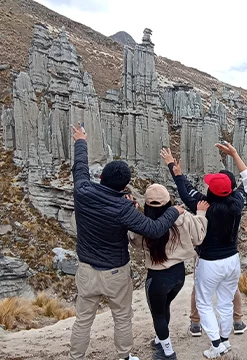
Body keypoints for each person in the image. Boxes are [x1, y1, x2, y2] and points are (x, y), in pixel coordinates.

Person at [69, 123, 184, 360]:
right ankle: (124, 356)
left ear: (100, 177)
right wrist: (174, 211)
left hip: (86, 269)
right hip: (115, 272)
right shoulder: (124, 207)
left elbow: (79, 167)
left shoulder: (82, 190)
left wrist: (81, 140)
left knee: (83, 320)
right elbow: (153, 229)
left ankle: (75, 357)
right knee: (122, 317)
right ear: (124, 186)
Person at [161, 143, 247, 359]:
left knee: (204, 302)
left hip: (209, 262)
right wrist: (235, 154)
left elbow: (185, 191)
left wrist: (174, 168)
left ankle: (216, 344)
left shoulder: (203, 205)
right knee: (226, 301)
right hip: (232, 260)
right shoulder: (237, 203)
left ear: (210, 191)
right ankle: (225, 341)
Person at [129, 183, 209, 360]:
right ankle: (160, 340)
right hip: (178, 275)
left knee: (158, 314)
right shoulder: (182, 217)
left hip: (157, 278)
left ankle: (167, 352)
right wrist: (201, 214)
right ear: (169, 202)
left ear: (147, 205)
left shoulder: (144, 223)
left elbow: (134, 241)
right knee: (164, 307)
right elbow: (199, 237)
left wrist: (132, 213)